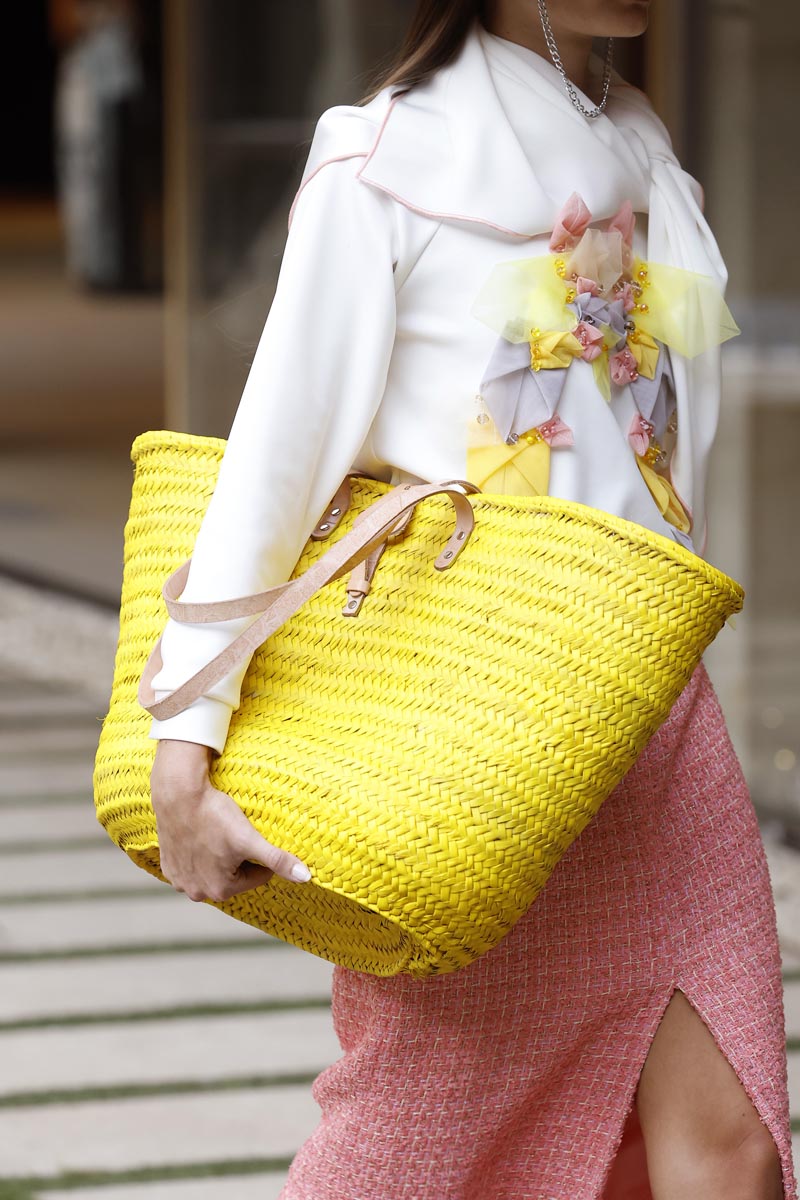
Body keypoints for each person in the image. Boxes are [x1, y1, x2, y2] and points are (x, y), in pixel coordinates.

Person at [146, 1, 796, 1196]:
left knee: (733, 1147)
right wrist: (186, 736)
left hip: (654, 717)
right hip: (478, 728)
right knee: (411, 1150)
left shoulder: (642, 146)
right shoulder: (389, 154)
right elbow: (277, 454)